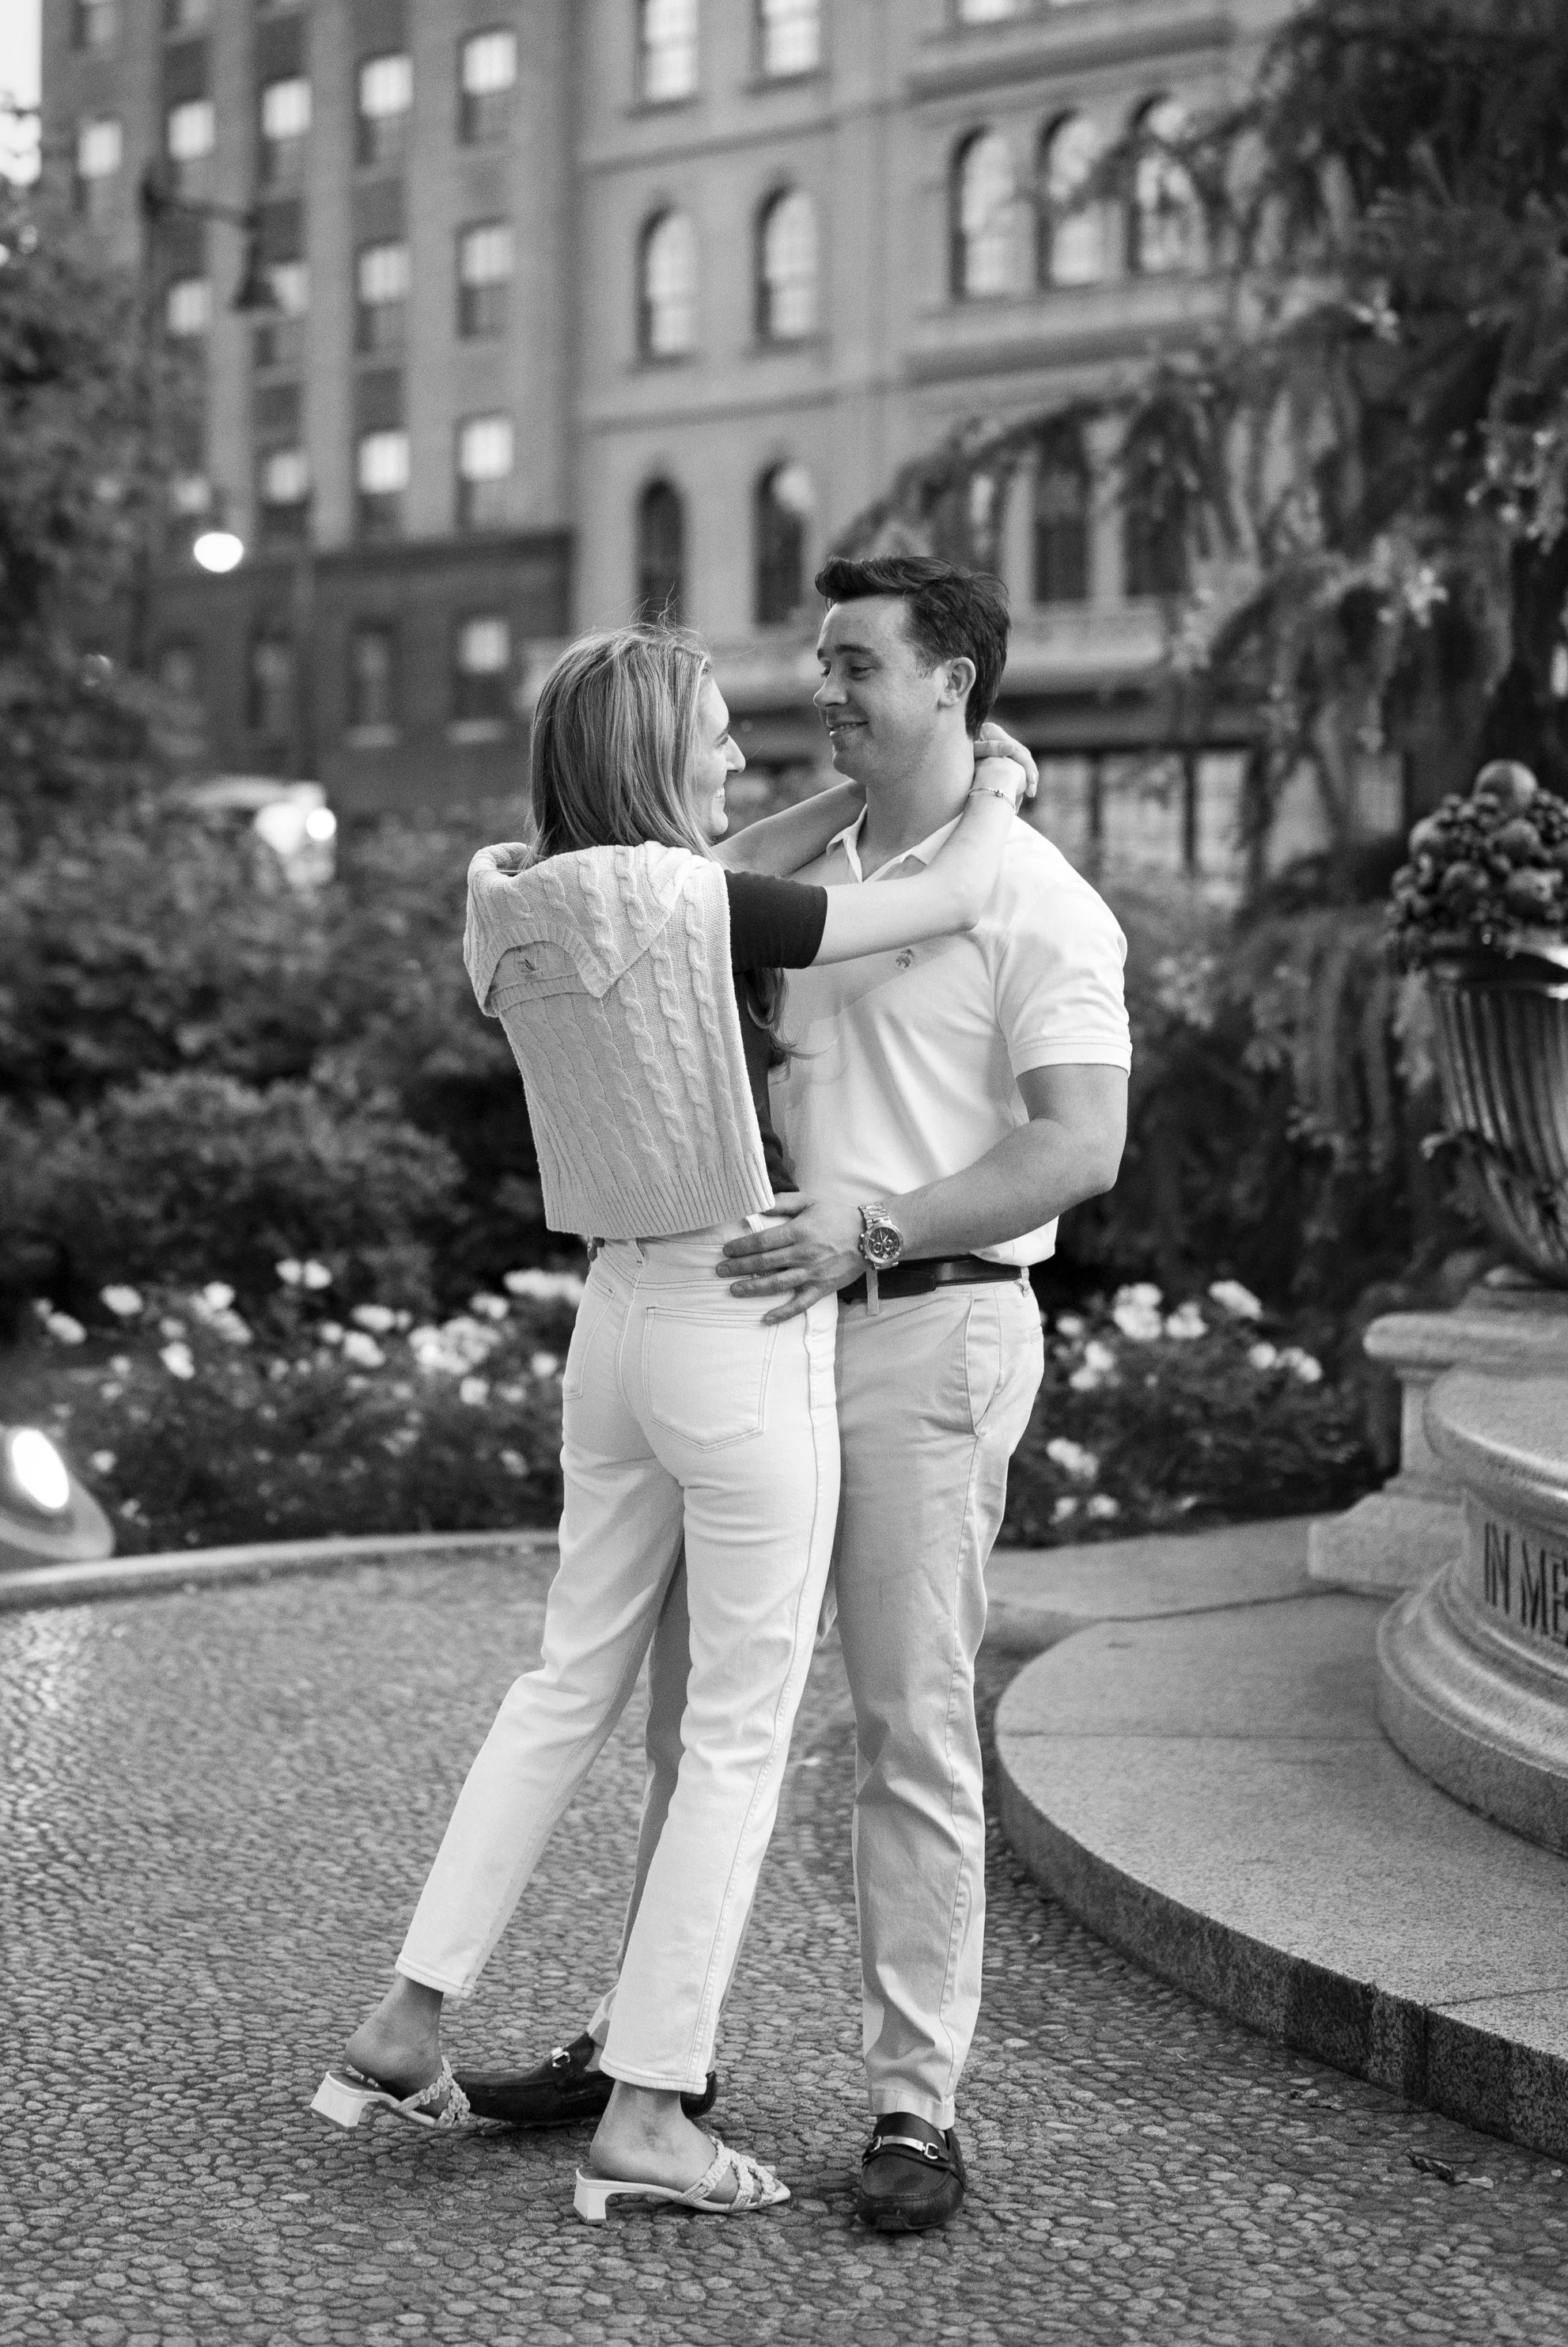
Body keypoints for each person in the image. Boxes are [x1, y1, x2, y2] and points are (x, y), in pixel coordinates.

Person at [315, 620, 1039, 2224]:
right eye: (714, 735)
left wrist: (769, 816)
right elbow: (934, 898)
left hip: (612, 1328)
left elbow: (711, 858)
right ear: (656, 759)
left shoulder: (511, 893)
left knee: (562, 1681)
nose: (739, 761)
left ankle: (404, 2015)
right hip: (735, 1318)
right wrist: (991, 782)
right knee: (734, 1730)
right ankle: (648, 2111)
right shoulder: (688, 900)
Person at [464, 557, 1130, 2237]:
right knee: (697, 1723)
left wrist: (881, 1222)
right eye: (815, 660)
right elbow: (676, 875)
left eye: (853, 664)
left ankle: (913, 2109)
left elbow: (1078, 1146)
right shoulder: (783, 868)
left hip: (924, 1327)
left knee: (907, 1728)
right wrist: (920, 783)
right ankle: (649, 2061)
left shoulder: (1039, 900)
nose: (814, 686)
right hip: (755, 1329)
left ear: (952, 681)